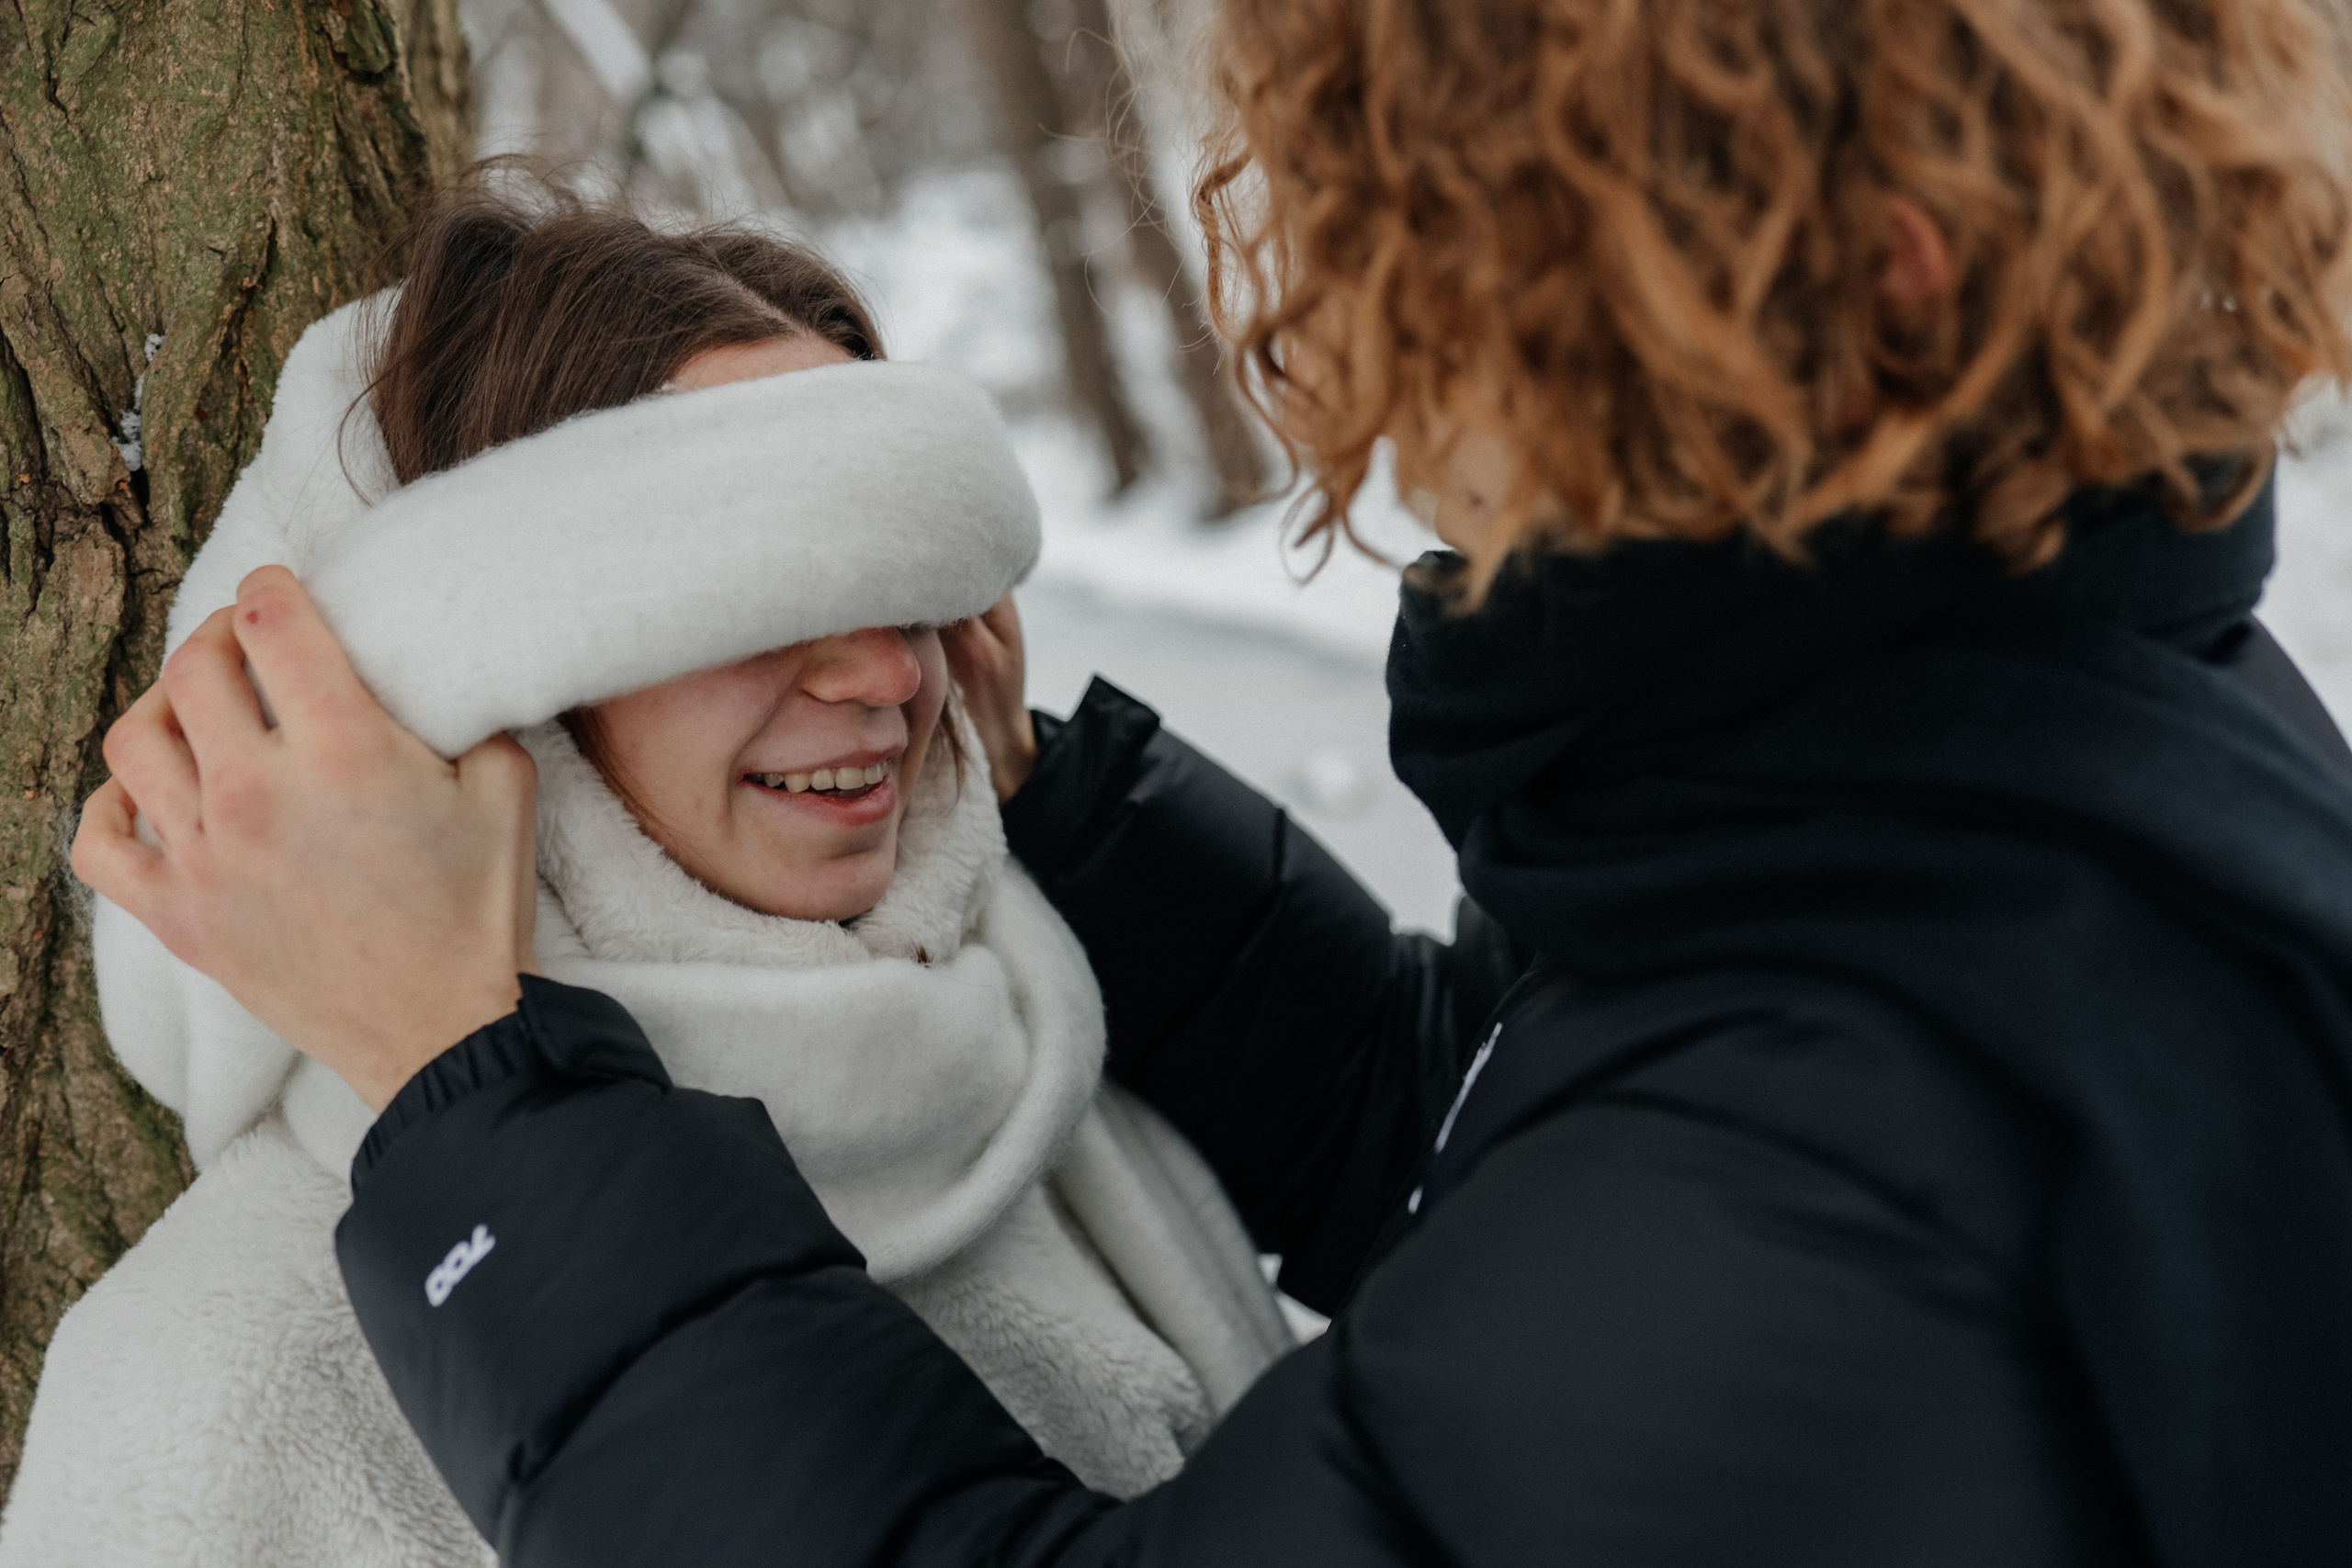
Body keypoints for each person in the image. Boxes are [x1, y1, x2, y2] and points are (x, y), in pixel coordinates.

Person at [65, 0, 2352, 1562]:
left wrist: (478, 1103)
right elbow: (1504, 1143)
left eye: (1426, 241)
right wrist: (1063, 810)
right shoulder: (2043, 748)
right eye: (748, 578)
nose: (1333, 340)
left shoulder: (1855, 1091)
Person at [0, 187, 1292, 1568]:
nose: (886, 671)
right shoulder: (222, 1398)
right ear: (482, 696)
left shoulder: (1052, 1072)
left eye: (904, 576)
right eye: (756, 594)